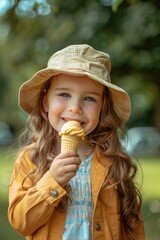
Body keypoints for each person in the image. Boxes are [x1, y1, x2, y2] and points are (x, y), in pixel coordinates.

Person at [8, 44, 144, 240]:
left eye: (89, 98)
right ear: (46, 101)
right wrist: (53, 180)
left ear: (102, 107)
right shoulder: (30, 159)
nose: (75, 108)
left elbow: (133, 228)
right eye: (64, 94)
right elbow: (20, 222)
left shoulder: (114, 163)